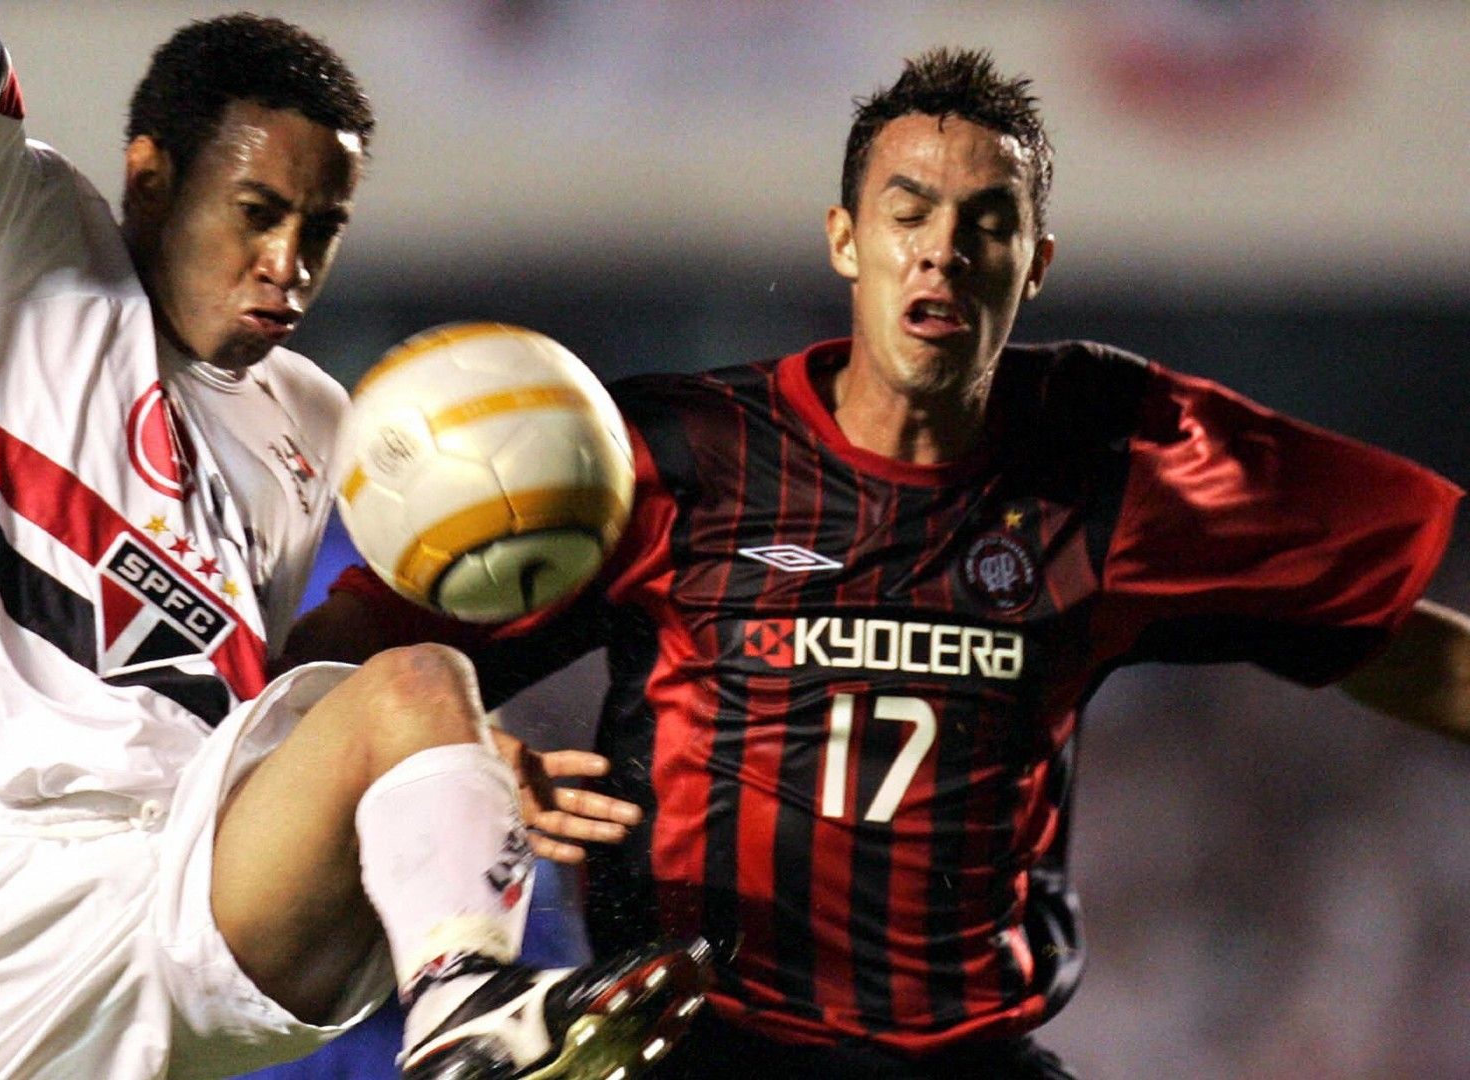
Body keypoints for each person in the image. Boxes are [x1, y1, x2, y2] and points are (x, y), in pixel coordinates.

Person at [286, 47, 1468, 1078]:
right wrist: (467, 759)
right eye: (909, 213)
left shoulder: (1112, 462)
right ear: (848, 240)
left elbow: (1381, 637)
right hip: (690, 1040)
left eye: (987, 222)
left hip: (969, 1059)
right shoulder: (668, 458)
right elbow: (340, 666)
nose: (944, 252)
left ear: (1035, 262)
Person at [0, 5, 712, 1078]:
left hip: (199, 885)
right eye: (256, 212)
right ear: (150, 175)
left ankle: (467, 1008)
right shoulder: (3, 251)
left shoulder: (314, 418)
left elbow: (288, 694)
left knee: (419, 686)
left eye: (321, 228)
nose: (287, 263)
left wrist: (442, 771)